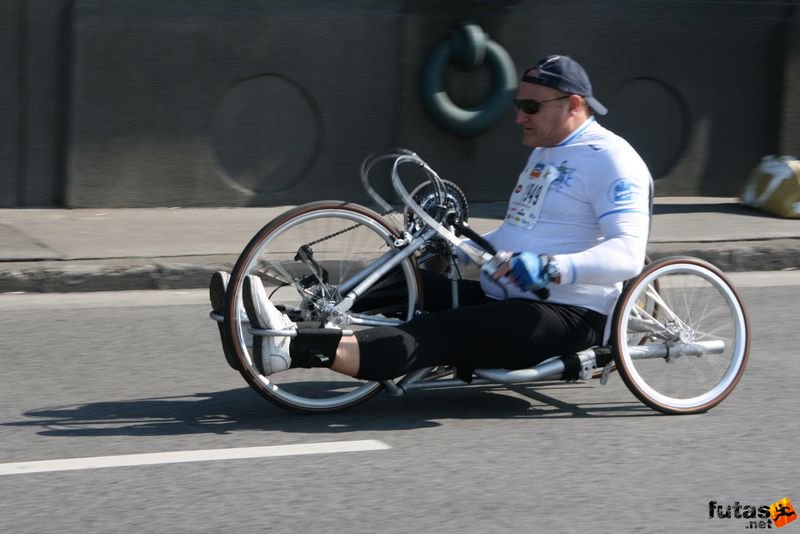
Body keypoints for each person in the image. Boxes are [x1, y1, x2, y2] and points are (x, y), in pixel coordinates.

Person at [211, 54, 653, 381]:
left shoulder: (613, 161)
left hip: (566, 313)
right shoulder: (546, 152)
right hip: (505, 293)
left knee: (434, 332)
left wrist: (553, 267)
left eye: (531, 107)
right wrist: (456, 247)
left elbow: (628, 256)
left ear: (573, 105)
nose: (519, 116)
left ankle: (292, 351)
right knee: (405, 282)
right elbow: (522, 232)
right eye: (518, 104)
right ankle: (275, 318)